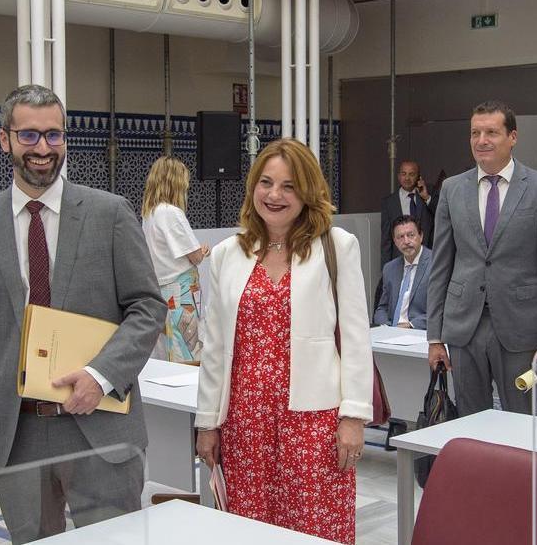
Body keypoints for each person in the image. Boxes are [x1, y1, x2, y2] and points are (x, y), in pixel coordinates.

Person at [0, 85, 166, 542]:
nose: (43, 149)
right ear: (4, 139)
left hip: (100, 424)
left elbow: (147, 307)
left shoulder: (110, 214)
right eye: (29, 136)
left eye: (54, 135)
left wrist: (101, 374)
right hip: (17, 430)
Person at [195, 138, 372, 544]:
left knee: (314, 527)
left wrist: (354, 417)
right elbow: (216, 348)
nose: (275, 195)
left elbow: (357, 338)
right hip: (245, 422)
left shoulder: (336, 246)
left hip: (313, 423)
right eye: (266, 183)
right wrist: (208, 423)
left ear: (307, 192)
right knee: (249, 528)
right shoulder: (227, 254)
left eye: (289, 186)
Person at [426, 101, 537, 417]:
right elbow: (441, 266)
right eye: (475, 133)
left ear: (513, 137)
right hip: (465, 328)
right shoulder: (452, 189)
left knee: (521, 422)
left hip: (521, 327)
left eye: (492, 132)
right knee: (470, 421)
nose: (482, 140)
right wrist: (435, 337)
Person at [141, 155, 209, 362]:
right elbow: (194, 256)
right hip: (181, 293)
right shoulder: (171, 213)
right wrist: (203, 250)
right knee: (187, 352)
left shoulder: (149, 214)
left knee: (167, 350)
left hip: (160, 290)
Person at [373, 215, 433, 329]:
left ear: (421, 236)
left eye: (411, 235)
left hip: (421, 333)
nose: (406, 241)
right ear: (395, 241)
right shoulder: (390, 268)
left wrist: (410, 325)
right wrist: (387, 327)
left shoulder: (436, 264)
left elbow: (442, 309)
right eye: (400, 237)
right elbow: (382, 309)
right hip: (391, 332)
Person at [380, 160, 435, 264]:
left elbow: (441, 216)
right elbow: (386, 240)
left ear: (419, 177)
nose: (407, 178)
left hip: (426, 259)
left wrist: (427, 197)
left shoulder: (427, 194)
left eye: (412, 174)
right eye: (403, 174)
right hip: (400, 260)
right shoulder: (389, 203)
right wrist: (385, 270)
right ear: (398, 176)